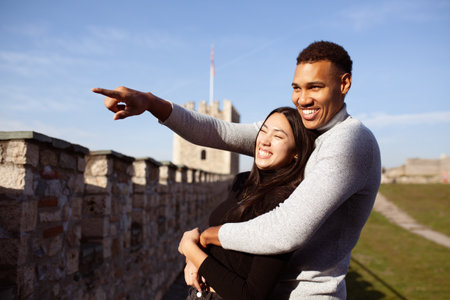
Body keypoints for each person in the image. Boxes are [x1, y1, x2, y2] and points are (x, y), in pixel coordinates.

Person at [92, 40, 381, 299]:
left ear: (344, 84)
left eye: (315, 87)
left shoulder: (351, 141)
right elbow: (218, 132)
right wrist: (151, 103)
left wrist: (203, 239)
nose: (302, 99)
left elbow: (285, 230)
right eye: (296, 87)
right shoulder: (301, 130)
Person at [178, 107, 317, 299]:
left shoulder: (285, 204)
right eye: (264, 131)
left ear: (296, 153)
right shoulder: (243, 182)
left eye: (278, 136)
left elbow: (251, 295)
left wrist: (190, 248)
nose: (265, 141)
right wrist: (193, 255)